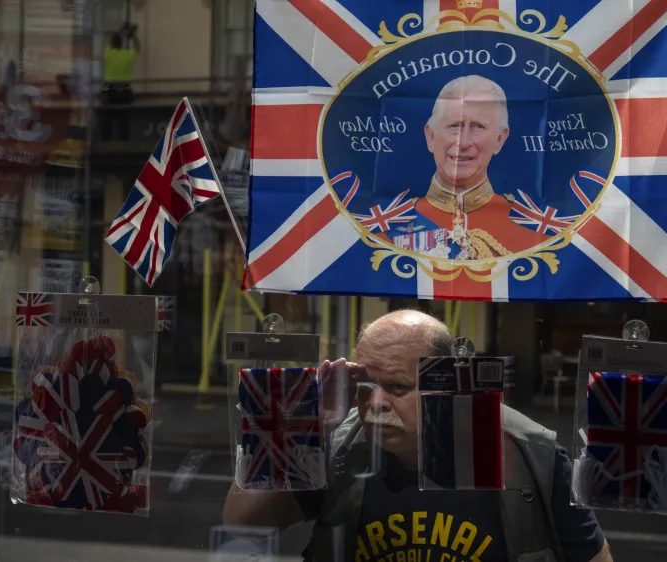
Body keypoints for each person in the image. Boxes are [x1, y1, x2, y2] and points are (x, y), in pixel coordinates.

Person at [223, 309, 613, 562]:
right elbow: (244, 524)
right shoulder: (342, 446)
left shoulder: (530, 455)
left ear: (446, 386)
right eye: (363, 386)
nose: (374, 404)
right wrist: (301, 430)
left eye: (396, 387)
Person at [383, 75, 558, 260]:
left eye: (478, 127)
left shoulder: (538, 233)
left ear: (500, 139)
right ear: (431, 137)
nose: (463, 142)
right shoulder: (386, 228)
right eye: (454, 125)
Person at [101, 23, 140, 140]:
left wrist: (120, 30)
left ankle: (106, 143)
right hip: (124, 90)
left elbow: (110, 42)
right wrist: (133, 36)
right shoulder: (126, 55)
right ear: (121, 44)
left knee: (108, 119)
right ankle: (123, 143)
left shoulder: (108, 53)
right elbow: (138, 49)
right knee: (124, 119)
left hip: (110, 90)